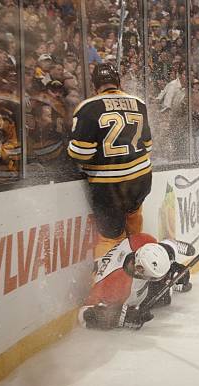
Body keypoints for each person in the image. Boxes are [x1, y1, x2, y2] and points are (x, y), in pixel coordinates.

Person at [68, 62, 153, 260]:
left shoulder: (88, 107)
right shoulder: (138, 103)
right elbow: (147, 146)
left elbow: (81, 152)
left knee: (110, 238)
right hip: (141, 179)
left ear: (95, 84)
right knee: (133, 219)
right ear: (118, 81)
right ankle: (140, 265)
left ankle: (109, 287)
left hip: (109, 185)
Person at [78, 233, 191, 330]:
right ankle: (168, 288)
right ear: (139, 270)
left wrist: (173, 268)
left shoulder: (141, 241)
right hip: (129, 296)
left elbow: (157, 248)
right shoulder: (113, 286)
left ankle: (172, 247)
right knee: (164, 298)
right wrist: (122, 317)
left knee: (167, 259)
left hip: (133, 285)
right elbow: (84, 315)